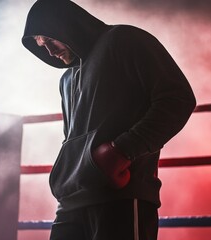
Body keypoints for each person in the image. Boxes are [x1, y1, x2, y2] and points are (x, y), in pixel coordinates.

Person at [22, 0, 196, 239]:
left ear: (66, 26)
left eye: (50, 40)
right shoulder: (66, 80)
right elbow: (72, 137)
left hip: (121, 196)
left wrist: (122, 150)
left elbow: (178, 99)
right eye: (42, 45)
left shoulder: (124, 40)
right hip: (71, 201)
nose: (49, 51)